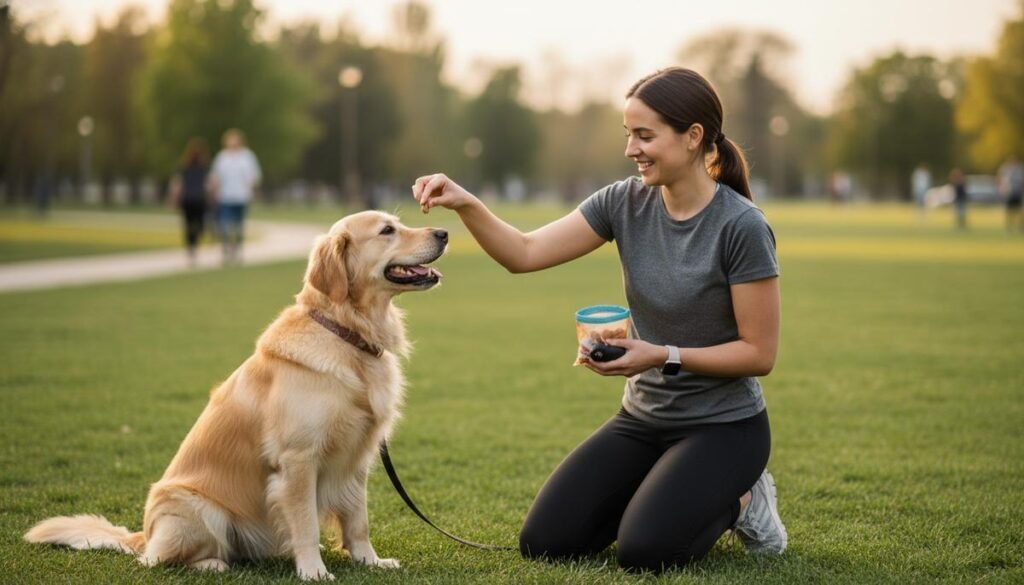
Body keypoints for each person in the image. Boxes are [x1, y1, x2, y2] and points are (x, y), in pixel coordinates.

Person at [412, 67, 786, 572]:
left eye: (645, 135)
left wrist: (661, 354)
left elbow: (758, 354)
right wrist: (465, 203)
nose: (631, 149)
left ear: (693, 136)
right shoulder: (623, 202)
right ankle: (666, 485)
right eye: (628, 134)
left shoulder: (741, 226)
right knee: (545, 541)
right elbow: (524, 253)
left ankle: (745, 499)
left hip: (725, 428)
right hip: (644, 418)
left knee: (645, 552)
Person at [209, 129, 261, 265]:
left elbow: (254, 176)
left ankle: (237, 250)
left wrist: (251, 189)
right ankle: (226, 249)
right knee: (225, 225)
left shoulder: (247, 157)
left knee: (238, 226)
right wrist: (214, 190)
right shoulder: (222, 158)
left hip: (241, 197)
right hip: (225, 197)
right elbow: (215, 176)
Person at [167, 138, 212, 267]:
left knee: (189, 225)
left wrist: (173, 199)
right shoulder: (201, 168)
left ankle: (191, 248)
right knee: (196, 225)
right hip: (196, 199)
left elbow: (176, 185)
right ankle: (193, 248)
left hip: (191, 199)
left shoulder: (188, 167)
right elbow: (210, 184)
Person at [997, 155, 1024, 233]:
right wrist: (1002, 189)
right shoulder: (1006, 169)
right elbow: (999, 178)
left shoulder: (1020, 169)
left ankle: (1019, 227)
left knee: (1019, 210)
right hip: (1010, 192)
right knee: (1009, 211)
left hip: (1018, 193)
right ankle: (1009, 227)